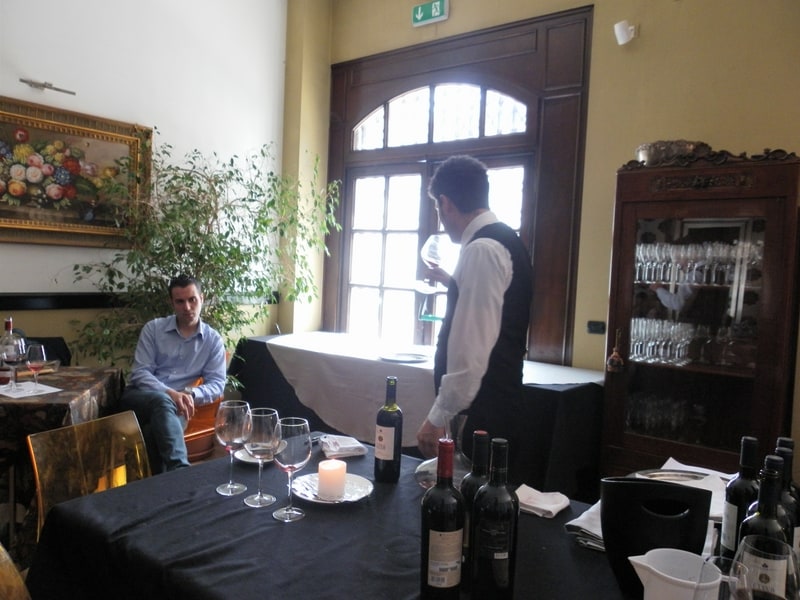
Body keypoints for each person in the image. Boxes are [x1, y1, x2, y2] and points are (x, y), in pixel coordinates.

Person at [416, 155, 533, 484]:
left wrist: (437, 417)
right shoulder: (505, 240)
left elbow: (471, 353)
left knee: (467, 506)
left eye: (438, 209)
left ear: (445, 203)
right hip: (496, 407)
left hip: (484, 418)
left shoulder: (482, 250)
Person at [121, 275, 226, 473]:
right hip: (141, 396)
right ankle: (181, 472)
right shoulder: (153, 329)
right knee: (163, 401)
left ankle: (157, 485)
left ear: (202, 299)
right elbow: (140, 373)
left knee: (152, 433)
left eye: (192, 300)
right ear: (172, 303)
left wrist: (190, 394)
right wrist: (170, 393)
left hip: (179, 405)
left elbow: (217, 383)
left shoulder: (212, 340)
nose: (187, 307)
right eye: (180, 301)